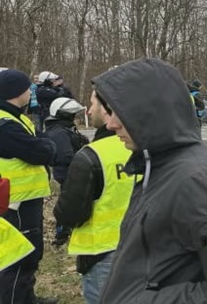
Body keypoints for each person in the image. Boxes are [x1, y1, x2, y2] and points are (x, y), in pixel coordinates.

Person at [91, 59, 207, 303]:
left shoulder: (195, 181)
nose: (111, 123)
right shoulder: (156, 165)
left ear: (151, 112)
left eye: (120, 112)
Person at [53, 90, 133, 304]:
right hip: (144, 248)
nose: (88, 110)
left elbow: (69, 213)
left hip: (102, 253)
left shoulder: (92, 155)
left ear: (108, 109)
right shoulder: (146, 149)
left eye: (92, 104)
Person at [0, 69, 58, 304]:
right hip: (14, 201)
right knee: (19, 256)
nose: (30, 92)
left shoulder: (17, 117)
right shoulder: (5, 124)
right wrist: (45, 145)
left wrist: (44, 144)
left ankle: (26, 297)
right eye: (27, 88)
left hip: (25, 198)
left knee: (31, 252)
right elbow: (42, 151)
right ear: (16, 93)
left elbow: (43, 143)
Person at [43, 97, 89, 246]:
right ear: (64, 115)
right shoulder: (58, 132)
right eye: (72, 114)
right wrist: (84, 160)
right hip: (67, 172)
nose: (74, 117)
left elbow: (78, 141)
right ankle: (62, 233)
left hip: (72, 170)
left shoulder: (64, 128)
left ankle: (65, 230)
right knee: (68, 202)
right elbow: (65, 155)